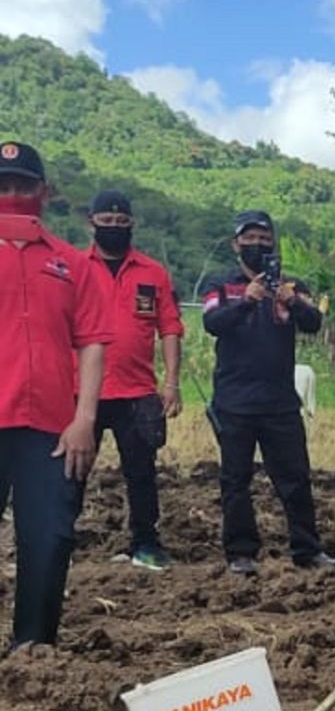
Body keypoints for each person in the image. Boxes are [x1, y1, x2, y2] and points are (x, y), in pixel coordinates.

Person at [0, 141, 113, 645]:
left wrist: (84, 418)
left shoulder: (72, 264)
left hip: (51, 428)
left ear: (43, 192)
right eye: (4, 186)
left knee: (49, 539)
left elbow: (91, 343)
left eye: (24, 185)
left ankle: (34, 649)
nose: (14, 194)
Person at [202, 210, 335, 574]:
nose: (256, 245)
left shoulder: (292, 287)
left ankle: (308, 551)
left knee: (295, 479)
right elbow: (212, 324)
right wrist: (247, 300)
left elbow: (313, 323)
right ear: (236, 244)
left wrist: (291, 301)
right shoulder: (222, 287)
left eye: (264, 239)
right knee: (235, 481)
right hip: (234, 403)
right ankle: (241, 554)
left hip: (280, 402)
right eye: (248, 239)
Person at [85, 190, 184, 572]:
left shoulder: (153, 273)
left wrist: (171, 384)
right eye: (106, 223)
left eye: (121, 223)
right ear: (91, 223)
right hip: (83, 393)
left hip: (138, 392)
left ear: (131, 225)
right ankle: (58, 540)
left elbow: (170, 329)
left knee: (141, 473)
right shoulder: (75, 267)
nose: (113, 229)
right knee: (69, 472)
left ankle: (145, 543)